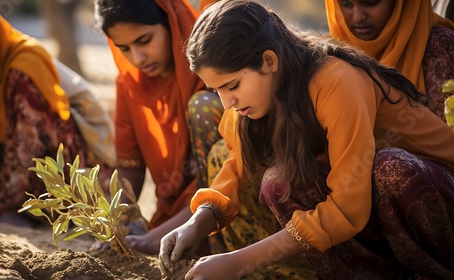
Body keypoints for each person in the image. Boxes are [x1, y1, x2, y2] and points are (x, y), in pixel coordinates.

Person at [159, 0, 454, 279]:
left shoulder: (338, 81)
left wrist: (239, 262)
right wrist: (197, 222)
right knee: (280, 181)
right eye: (216, 90)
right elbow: (236, 167)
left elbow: (348, 208)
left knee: (390, 169)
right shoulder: (257, 95)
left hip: (438, 198)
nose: (226, 103)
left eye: (232, 85)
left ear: (269, 60)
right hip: (379, 209)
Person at [0, 0, 115, 226]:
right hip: (14, 161)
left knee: (22, 91)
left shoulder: (25, 63)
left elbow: (30, 142)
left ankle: (25, 207)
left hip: (76, 170)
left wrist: (10, 208)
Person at [94, 0, 224, 255]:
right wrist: (116, 224)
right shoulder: (130, 83)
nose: (137, 58)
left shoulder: (215, 69)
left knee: (203, 105)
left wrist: (157, 237)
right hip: (173, 213)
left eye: (144, 40)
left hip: (228, 205)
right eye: (124, 48)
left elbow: (234, 172)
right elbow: (130, 167)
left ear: (172, 24)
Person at [325, 0, 454, 121]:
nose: (358, 17)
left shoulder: (440, 47)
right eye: (347, 4)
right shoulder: (330, 60)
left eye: (370, 1)